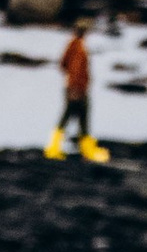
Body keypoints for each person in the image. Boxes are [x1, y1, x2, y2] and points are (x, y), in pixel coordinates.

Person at [44, 25, 107, 162]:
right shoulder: (79, 48)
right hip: (77, 90)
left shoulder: (71, 45)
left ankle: (54, 148)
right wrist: (76, 89)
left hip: (71, 88)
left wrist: (70, 83)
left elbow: (63, 64)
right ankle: (86, 151)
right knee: (82, 118)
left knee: (69, 117)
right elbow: (76, 69)